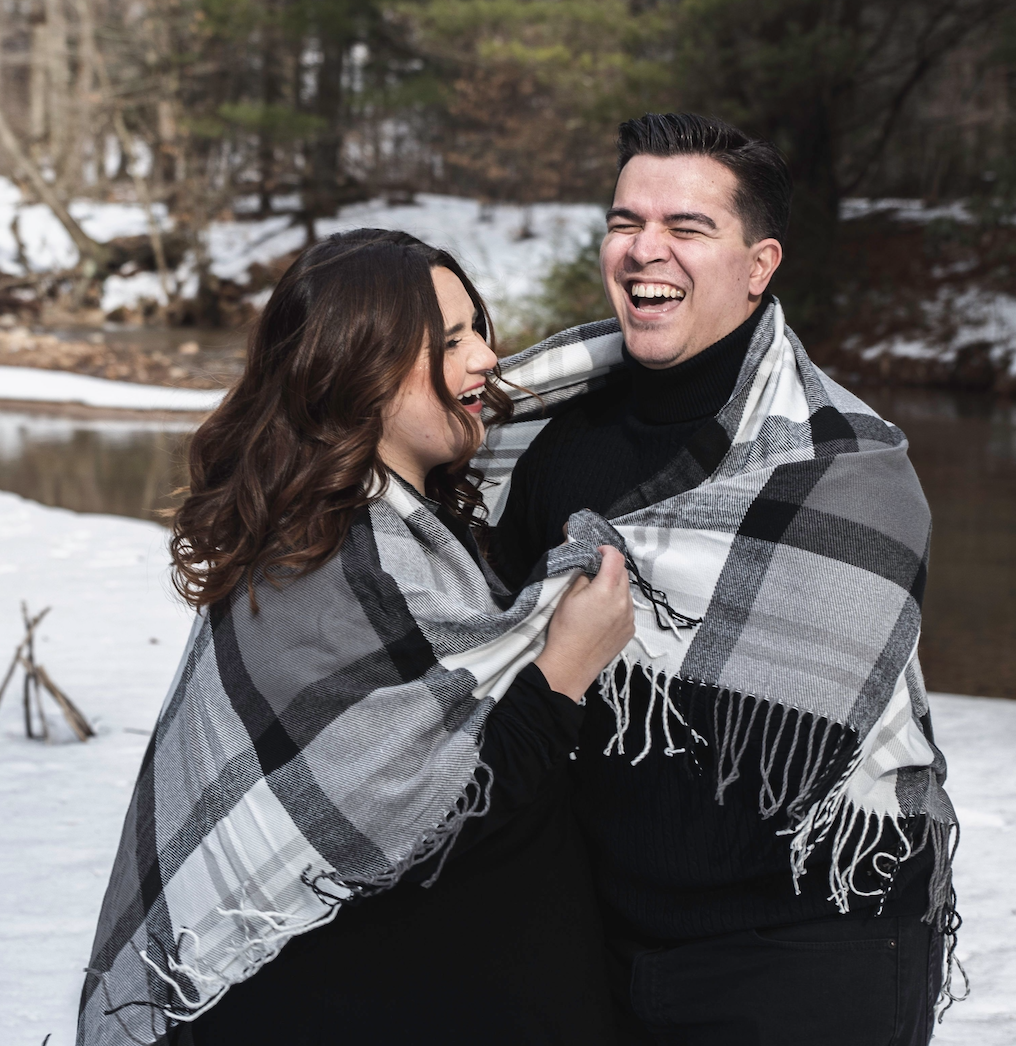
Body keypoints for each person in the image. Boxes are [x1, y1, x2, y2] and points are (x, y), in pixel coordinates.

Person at [77, 229, 633, 1046]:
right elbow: (421, 823)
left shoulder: (414, 530)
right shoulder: (327, 557)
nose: (486, 359)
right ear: (357, 367)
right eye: (450, 342)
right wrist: (559, 678)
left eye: (479, 328)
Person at [489, 113, 961, 1046]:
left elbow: (804, 747)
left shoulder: (847, 468)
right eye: (625, 221)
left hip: (811, 945)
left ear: (759, 264)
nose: (643, 249)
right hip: (606, 937)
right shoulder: (548, 438)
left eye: (687, 227)